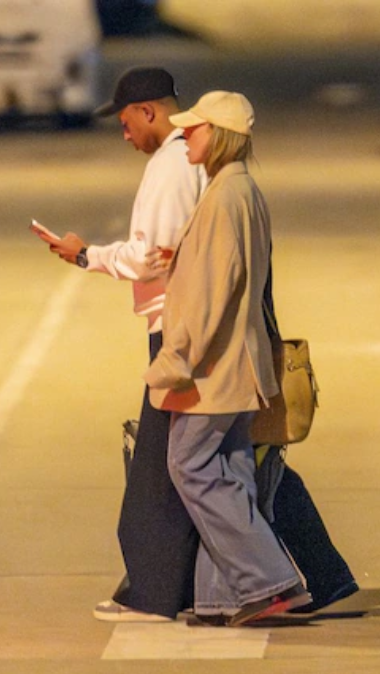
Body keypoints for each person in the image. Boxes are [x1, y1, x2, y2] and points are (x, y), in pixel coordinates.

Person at [35, 66, 205, 622]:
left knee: (159, 468)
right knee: (223, 462)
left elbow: (150, 255)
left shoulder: (173, 165)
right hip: (192, 326)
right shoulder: (188, 160)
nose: (124, 132)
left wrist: (87, 255)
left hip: (179, 331)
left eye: (127, 120)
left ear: (150, 111)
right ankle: (317, 577)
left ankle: (154, 594)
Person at [144, 90, 309, 626]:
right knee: (229, 470)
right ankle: (224, 596)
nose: (183, 135)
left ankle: (268, 582)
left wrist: (176, 359)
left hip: (214, 367)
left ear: (217, 135)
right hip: (242, 363)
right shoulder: (241, 190)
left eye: (192, 129)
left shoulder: (221, 199)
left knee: (189, 466)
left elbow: (209, 295)